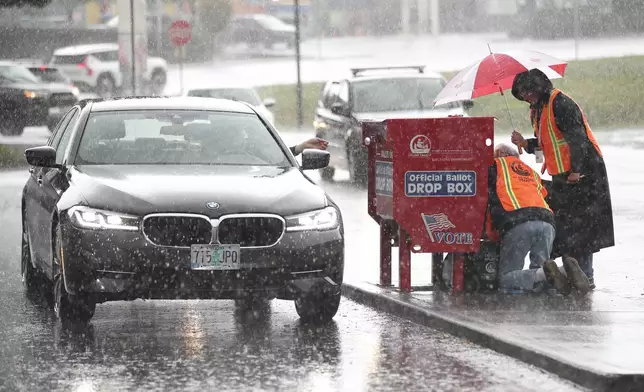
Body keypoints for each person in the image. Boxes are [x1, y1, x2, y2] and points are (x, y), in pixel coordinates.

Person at [509, 69, 615, 290]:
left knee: (583, 228)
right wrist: (524, 143)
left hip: (585, 174)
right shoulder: (538, 110)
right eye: (521, 94)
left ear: (538, 87)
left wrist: (576, 170)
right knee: (565, 226)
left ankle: (586, 275)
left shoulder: (561, 103)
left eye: (528, 91)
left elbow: (578, 139)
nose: (526, 96)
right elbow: (546, 144)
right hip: (563, 177)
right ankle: (570, 272)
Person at [485, 143, 590, 295]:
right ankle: (564, 272)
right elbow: (546, 194)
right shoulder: (531, 172)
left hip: (518, 219)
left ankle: (550, 273)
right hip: (547, 221)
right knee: (542, 273)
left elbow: (484, 197)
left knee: (506, 277)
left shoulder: (495, 165)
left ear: (500, 153)